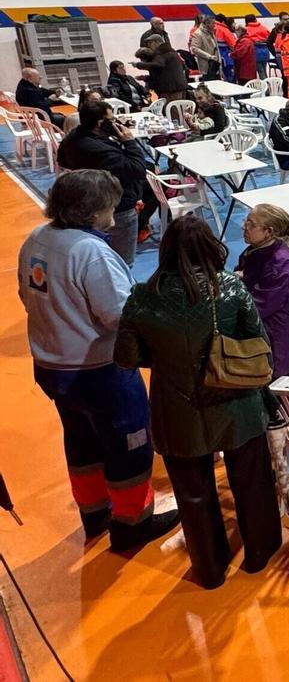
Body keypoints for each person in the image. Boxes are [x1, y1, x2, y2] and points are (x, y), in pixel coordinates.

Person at [116, 215, 281, 590]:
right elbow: (259, 341)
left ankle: (209, 569)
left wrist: (168, 358)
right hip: (236, 402)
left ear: (166, 249)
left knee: (193, 495)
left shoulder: (142, 297)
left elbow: (125, 357)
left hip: (176, 408)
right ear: (210, 247)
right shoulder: (230, 288)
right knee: (252, 483)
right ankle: (259, 553)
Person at [18, 171, 180, 551]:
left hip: (51, 365)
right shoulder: (91, 253)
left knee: (81, 442)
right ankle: (133, 524)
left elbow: (26, 297)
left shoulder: (36, 239)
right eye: (110, 205)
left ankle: (93, 514)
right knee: (129, 444)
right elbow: (120, 315)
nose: (115, 212)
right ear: (93, 211)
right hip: (98, 370)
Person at [57, 100, 151, 267]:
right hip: (118, 205)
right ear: (100, 123)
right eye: (111, 120)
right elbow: (137, 169)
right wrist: (129, 142)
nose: (115, 123)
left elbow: (61, 159)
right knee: (123, 262)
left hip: (89, 200)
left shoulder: (73, 137)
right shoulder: (100, 149)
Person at [236, 205, 289, 384]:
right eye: (246, 221)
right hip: (263, 332)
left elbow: (260, 305)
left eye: (251, 224)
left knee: (278, 389)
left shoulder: (280, 265)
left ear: (269, 232)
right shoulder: (256, 249)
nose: (244, 226)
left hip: (277, 337)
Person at [191, 16, 220, 80]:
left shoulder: (211, 32)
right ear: (207, 23)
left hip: (215, 64)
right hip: (207, 67)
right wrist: (209, 56)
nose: (214, 25)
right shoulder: (198, 33)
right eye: (213, 23)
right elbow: (194, 49)